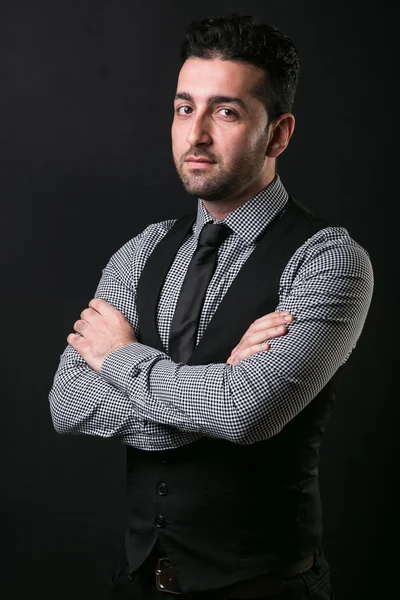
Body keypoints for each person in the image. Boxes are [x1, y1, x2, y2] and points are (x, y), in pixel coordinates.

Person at [48, 13, 373, 600]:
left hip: (265, 588)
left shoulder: (328, 260)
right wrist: (218, 388)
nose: (195, 134)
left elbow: (247, 414)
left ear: (277, 135)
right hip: (139, 583)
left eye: (225, 112)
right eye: (183, 108)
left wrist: (123, 359)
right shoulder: (143, 250)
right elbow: (69, 403)